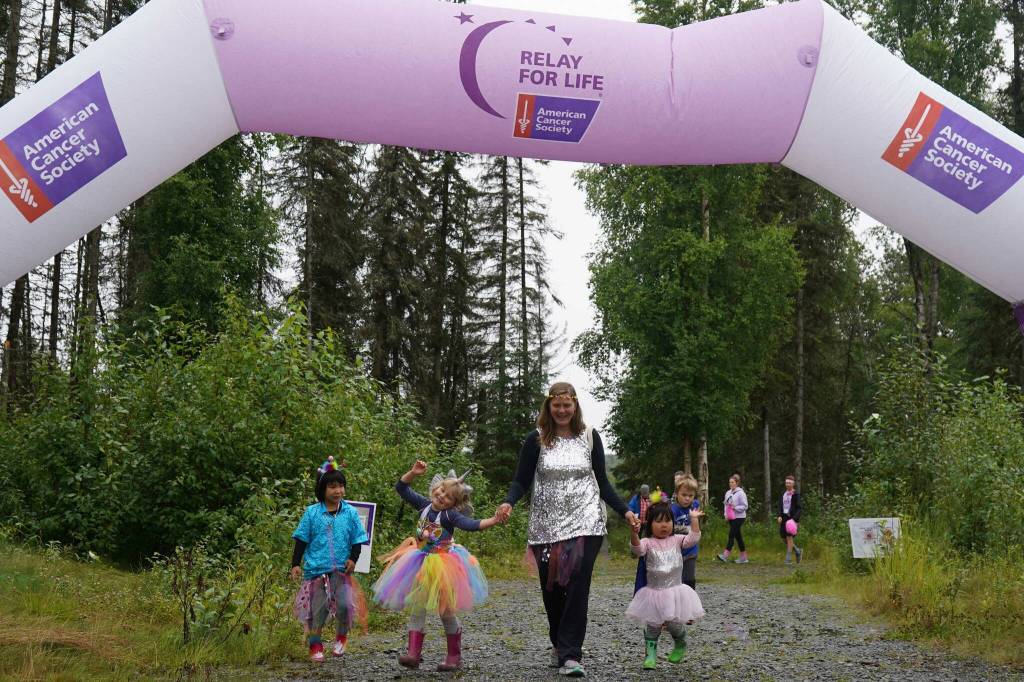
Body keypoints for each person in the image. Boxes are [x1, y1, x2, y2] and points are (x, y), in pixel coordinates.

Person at [496, 381, 641, 678]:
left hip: (586, 523)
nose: (562, 410)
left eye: (567, 405)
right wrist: (508, 502)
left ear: (575, 406)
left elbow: (602, 481)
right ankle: (558, 643)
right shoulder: (535, 439)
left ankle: (571, 654)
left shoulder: (589, 437)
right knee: (553, 588)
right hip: (546, 526)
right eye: (556, 405)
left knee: (576, 585)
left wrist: (625, 510)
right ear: (549, 407)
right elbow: (521, 480)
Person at [372, 460, 499, 671]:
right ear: (435, 488)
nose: (441, 496)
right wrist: (412, 472)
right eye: (441, 490)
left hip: (443, 564)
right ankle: (413, 653)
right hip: (418, 561)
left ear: (454, 503)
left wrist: (494, 520)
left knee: (446, 611)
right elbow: (401, 488)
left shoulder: (450, 515)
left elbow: (472, 525)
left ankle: (454, 656)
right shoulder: (424, 505)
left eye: (448, 496)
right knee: (417, 607)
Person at [291, 456, 369, 661]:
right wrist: (295, 564)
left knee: (344, 606)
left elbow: (357, 539)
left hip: (341, 572)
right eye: (333, 486)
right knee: (317, 610)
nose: (338, 491)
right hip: (317, 570)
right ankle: (315, 645)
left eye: (341, 486)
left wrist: (353, 559)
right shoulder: (312, 513)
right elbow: (301, 540)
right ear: (322, 489)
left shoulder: (350, 513)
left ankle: (341, 637)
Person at [626, 501, 704, 670]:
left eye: (668, 521)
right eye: (659, 521)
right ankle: (651, 655)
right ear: (651, 523)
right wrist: (634, 533)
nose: (664, 525)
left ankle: (680, 642)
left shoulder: (677, 540)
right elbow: (637, 549)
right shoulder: (648, 542)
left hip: (675, 591)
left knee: (674, 624)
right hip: (653, 592)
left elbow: (694, 538)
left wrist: (694, 519)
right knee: (653, 626)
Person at [671, 474, 701, 590]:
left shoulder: (695, 506)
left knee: (689, 578)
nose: (687, 498)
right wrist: (686, 529)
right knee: (675, 579)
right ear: (677, 493)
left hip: (691, 550)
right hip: (675, 550)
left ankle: (690, 602)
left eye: (690, 495)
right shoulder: (672, 509)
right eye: (684, 495)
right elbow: (670, 528)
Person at [716, 473, 749, 564]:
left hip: (739, 517)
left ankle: (725, 555)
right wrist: (725, 515)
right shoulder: (728, 493)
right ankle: (744, 557)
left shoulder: (741, 493)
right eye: (729, 482)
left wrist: (735, 508)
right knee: (738, 537)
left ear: (737, 483)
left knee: (731, 534)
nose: (730, 484)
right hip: (731, 517)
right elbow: (725, 505)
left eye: (732, 482)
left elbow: (745, 506)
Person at [777, 474, 803, 564]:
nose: (787, 484)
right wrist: (779, 515)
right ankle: (797, 551)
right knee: (783, 537)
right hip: (783, 517)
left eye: (789, 483)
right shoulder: (782, 494)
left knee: (789, 537)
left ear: (793, 484)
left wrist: (795, 519)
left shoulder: (796, 494)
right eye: (786, 483)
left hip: (792, 519)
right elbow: (780, 505)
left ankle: (788, 559)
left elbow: (799, 508)